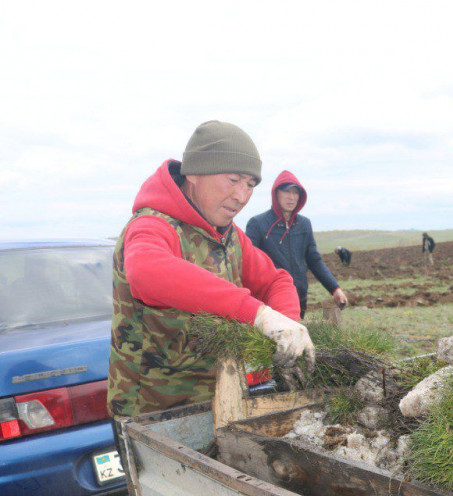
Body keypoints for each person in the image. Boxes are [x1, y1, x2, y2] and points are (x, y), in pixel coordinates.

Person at [108, 121, 313, 417]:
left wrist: (286, 328)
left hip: (222, 401)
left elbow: (275, 281)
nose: (242, 196)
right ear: (194, 172)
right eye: (233, 180)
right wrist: (257, 314)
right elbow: (146, 273)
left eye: (250, 185)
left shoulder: (229, 235)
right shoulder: (152, 225)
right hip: (154, 413)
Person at [246, 171, 348, 317]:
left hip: (299, 298)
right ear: (276, 194)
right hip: (270, 299)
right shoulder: (258, 224)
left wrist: (335, 288)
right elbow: (248, 262)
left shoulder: (304, 224)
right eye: (287, 191)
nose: (291, 197)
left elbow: (314, 260)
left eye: (295, 192)